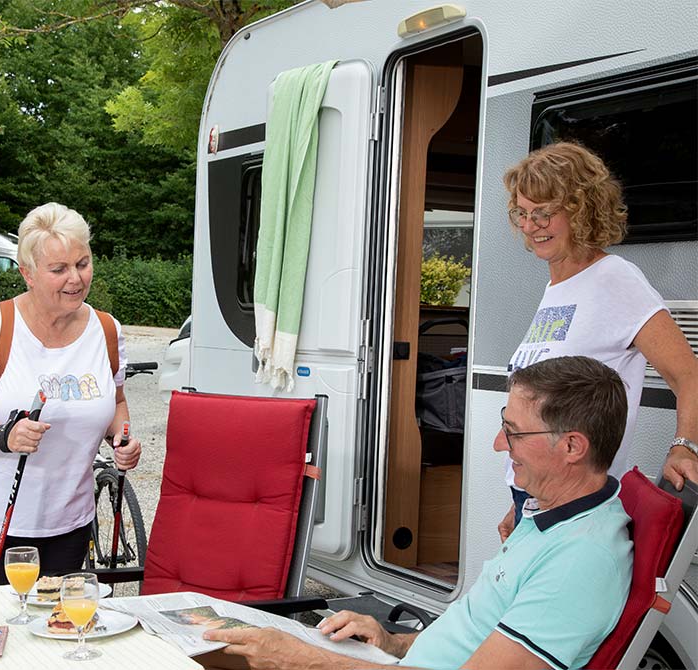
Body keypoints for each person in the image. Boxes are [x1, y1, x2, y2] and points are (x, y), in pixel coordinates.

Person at [205, 356, 632, 670]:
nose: (500, 446)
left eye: (513, 432)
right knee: (216, 646)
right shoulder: (553, 513)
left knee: (231, 655)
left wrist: (303, 661)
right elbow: (473, 634)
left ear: (573, 447)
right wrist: (394, 642)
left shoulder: (580, 560)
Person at [499, 142, 698, 540]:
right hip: (536, 496)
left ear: (581, 209)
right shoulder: (557, 285)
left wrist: (685, 446)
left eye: (543, 213)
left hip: (577, 503)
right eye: (522, 213)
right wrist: (518, 498)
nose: (529, 225)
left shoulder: (614, 279)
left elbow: (688, 374)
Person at [0, 202, 141, 589]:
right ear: (27, 274)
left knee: (56, 637)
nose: (76, 279)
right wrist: (3, 436)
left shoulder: (106, 330)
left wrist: (123, 438)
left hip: (67, 524)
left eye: (83, 263)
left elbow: (115, 402)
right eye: (59, 269)